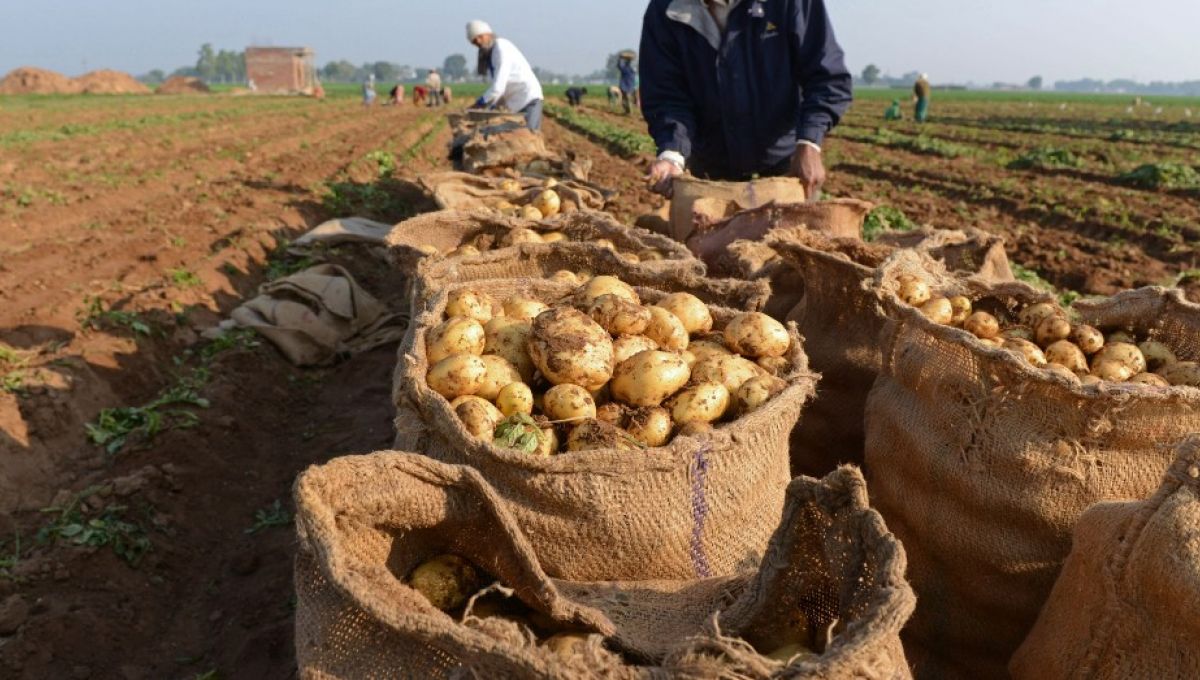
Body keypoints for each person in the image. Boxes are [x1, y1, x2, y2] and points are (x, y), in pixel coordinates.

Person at [640, 0, 853, 199]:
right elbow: (667, 95)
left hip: (786, 167)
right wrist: (673, 152)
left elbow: (827, 78)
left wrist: (809, 142)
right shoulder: (665, 9)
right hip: (710, 171)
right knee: (707, 226)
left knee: (795, 227)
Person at [466, 20, 545, 132]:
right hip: (514, 103)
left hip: (528, 98)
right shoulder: (491, 54)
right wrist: (491, 107)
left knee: (530, 135)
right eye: (474, 41)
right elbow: (499, 90)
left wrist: (479, 104)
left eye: (480, 37)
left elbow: (498, 87)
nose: (478, 42)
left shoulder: (501, 47)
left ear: (488, 34)